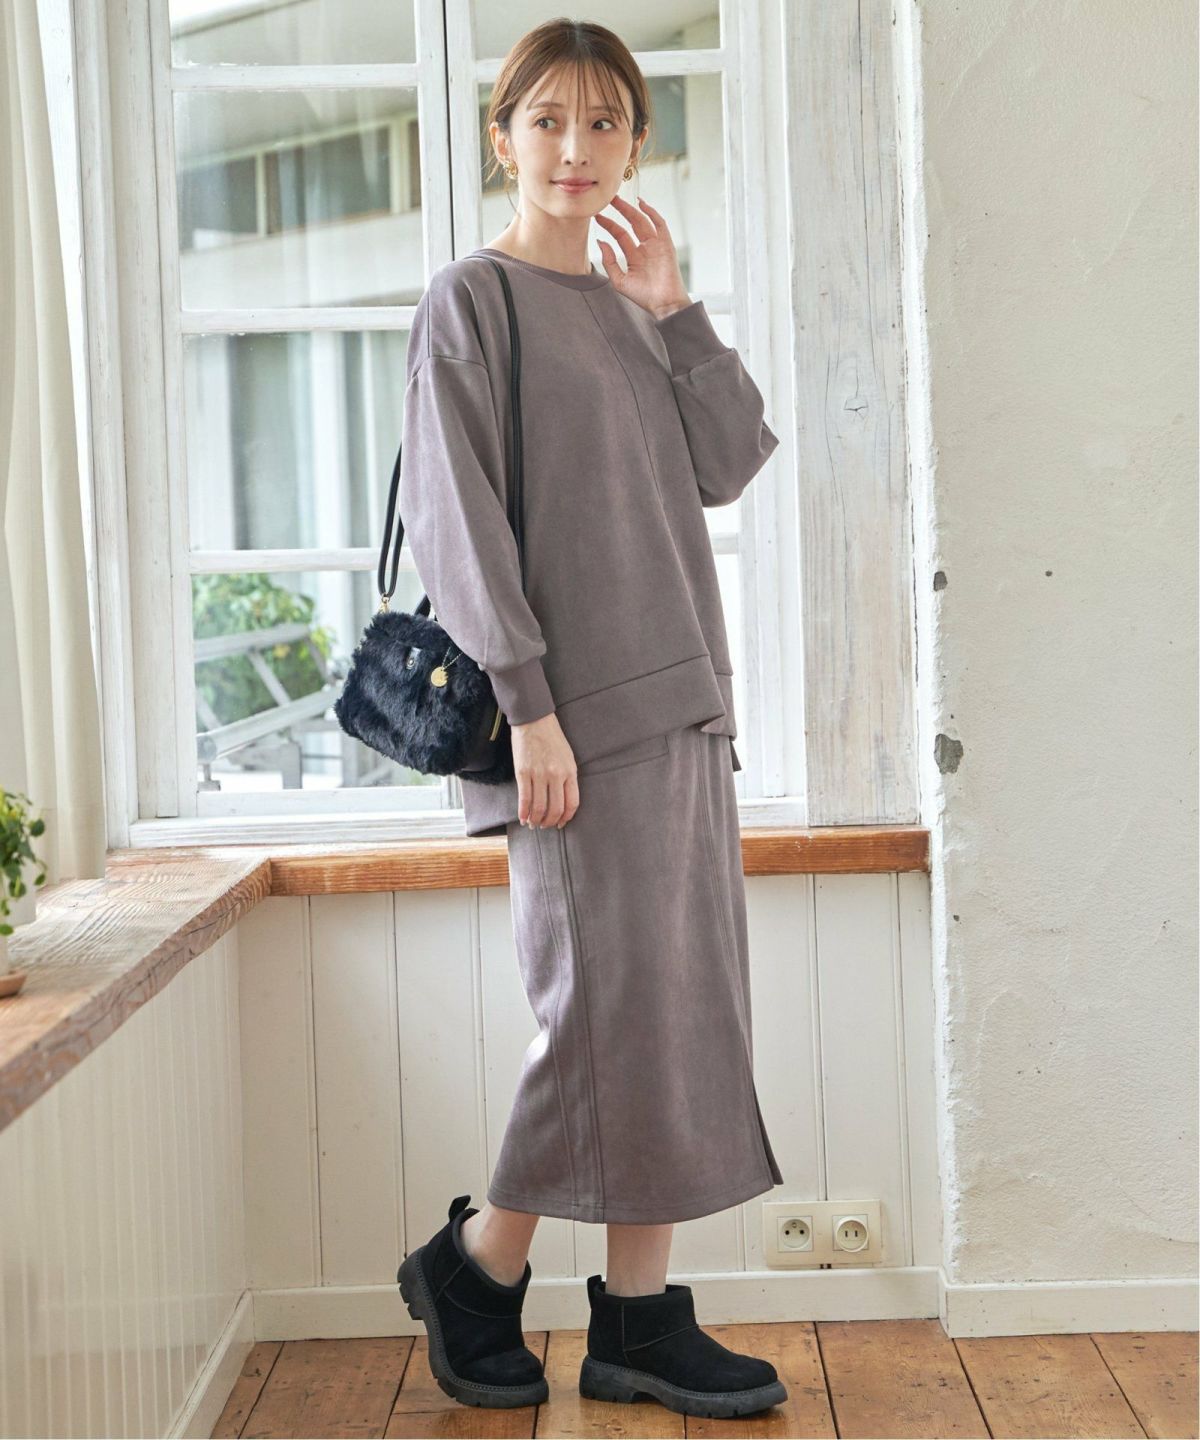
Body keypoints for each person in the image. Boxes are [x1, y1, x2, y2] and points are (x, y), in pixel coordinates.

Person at [394, 17, 788, 1419]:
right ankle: (477, 1267)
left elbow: (731, 462)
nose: (577, 147)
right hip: (565, 731)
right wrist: (529, 712)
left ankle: (634, 1320)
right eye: (548, 120)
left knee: (670, 1019)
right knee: (597, 1021)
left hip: (681, 710)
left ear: (637, 144)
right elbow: (459, 527)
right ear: (503, 138)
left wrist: (677, 311)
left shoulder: (634, 306)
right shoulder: (472, 301)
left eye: (605, 121)